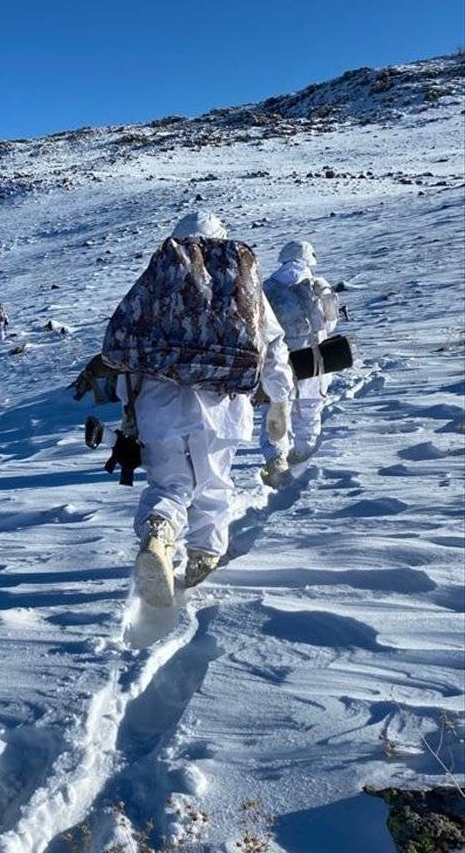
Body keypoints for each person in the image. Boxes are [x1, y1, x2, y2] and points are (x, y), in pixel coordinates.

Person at [107, 211, 294, 603]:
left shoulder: (161, 278)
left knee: (169, 484)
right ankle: (203, 558)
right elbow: (271, 343)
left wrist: (130, 406)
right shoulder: (240, 281)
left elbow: (128, 346)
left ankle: (158, 534)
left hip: (158, 402)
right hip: (222, 405)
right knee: (213, 484)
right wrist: (280, 396)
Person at [259, 240, 340, 485]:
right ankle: (304, 453)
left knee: (275, 407)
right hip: (312, 356)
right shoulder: (318, 284)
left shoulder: (267, 286)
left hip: (277, 357)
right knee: (311, 406)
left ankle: (276, 457)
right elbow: (331, 321)